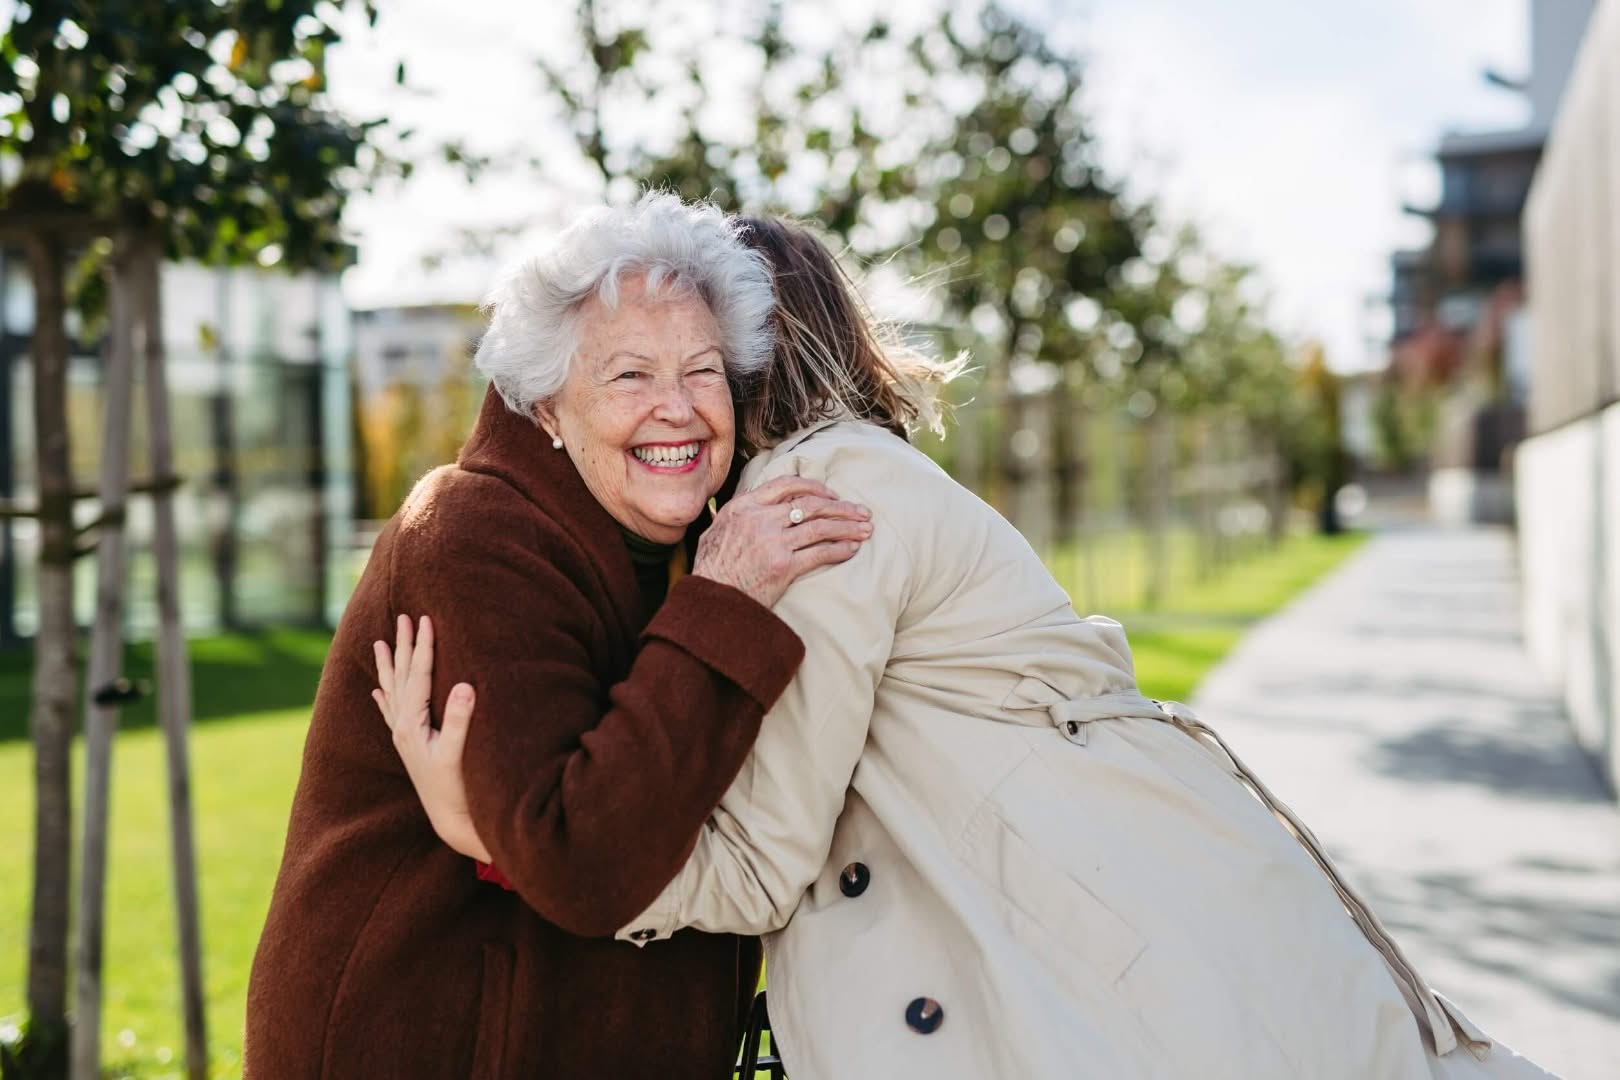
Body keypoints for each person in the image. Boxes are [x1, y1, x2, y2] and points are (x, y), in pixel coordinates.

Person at [375, 216, 1556, 1079]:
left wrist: (512, 840)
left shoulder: (814, 504)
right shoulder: (865, 475)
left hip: (1105, 972)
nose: (686, 394)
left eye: (704, 357)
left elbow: (752, 868)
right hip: (1169, 923)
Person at [243, 194, 875, 1079]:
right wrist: (727, 601)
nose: (678, 410)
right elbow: (580, 856)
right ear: (545, 406)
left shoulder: (689, 537)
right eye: (628, 377)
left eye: (702, 372)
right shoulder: (471, 533)